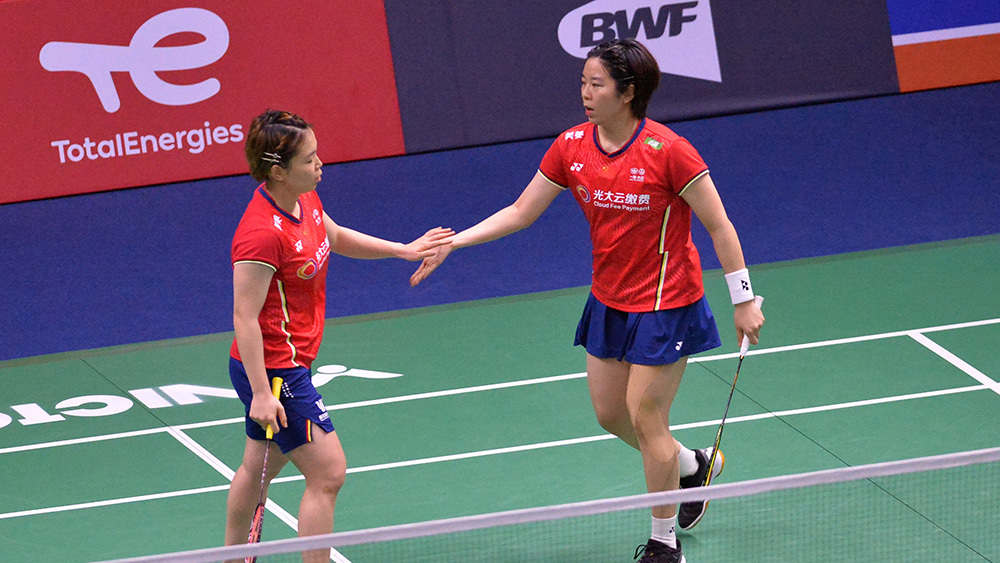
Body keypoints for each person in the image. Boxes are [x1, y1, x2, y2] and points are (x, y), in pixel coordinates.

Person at [410, 40, 764, 563]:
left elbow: (719, 225)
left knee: (646, 418)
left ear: (628, 92)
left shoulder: (669, 151)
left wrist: (743, 299)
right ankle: (692, 466)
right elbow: (521, 211)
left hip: (665, 303)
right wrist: (454, 243)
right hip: (609, 299)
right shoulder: (572, 146)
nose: (585, 93)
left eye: (597, 84)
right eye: (583, 83)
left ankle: (664, 544)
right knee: (609, 414)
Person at [225, 109, 453, 562]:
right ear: (278, 171)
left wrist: (402, 250)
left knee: (257, 468)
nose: (320, 164)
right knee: (328, 473)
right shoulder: (260, 235)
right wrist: (261, 393)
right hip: (275, 369)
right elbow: (244, 317)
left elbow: (335, 236)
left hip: (288, 362)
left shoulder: (304, 199)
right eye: (309, 159)